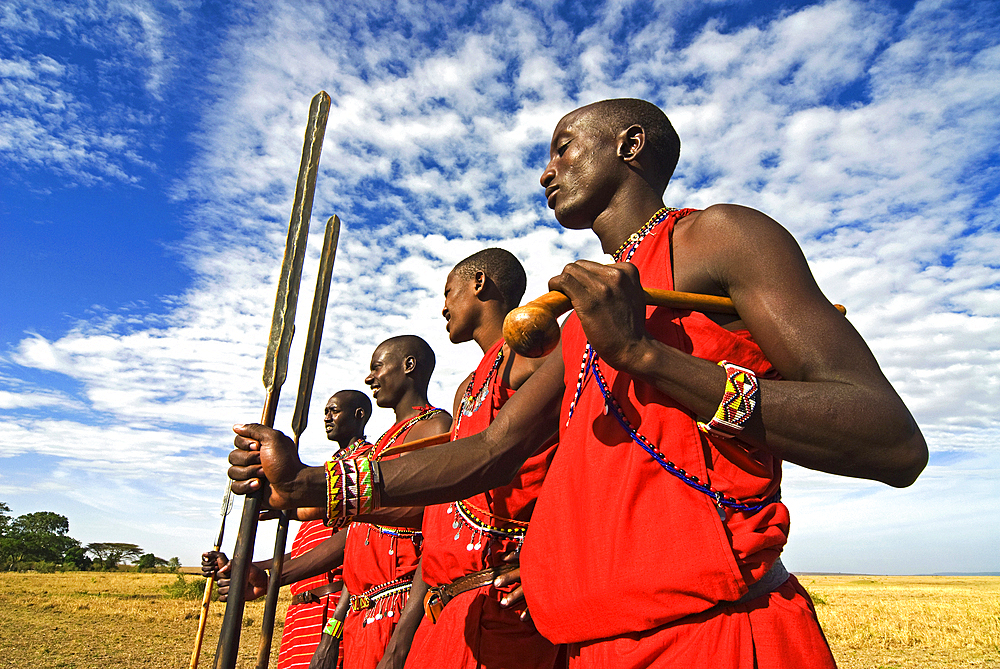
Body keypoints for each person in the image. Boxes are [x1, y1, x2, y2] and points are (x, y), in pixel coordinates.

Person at [227, 99, 928, 668]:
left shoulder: (720, 237)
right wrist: (318, 486)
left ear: (630, 145)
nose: (544, 172)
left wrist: (647, 355)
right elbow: (491, 450)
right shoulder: (576, 322)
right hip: (593, 647)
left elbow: (888, 437)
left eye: (563, 147)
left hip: (713, 635)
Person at [385, 248, 561, 669]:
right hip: (450, 607)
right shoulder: (467, 388)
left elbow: (573, 460)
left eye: (449, 292)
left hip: (504, 606)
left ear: (479, 283)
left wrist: (549, 553)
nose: (442, 307)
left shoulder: (532, 354)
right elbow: (449, 502)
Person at [203, 390, 372, 669]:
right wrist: (244, 565)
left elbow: (352, 542)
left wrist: (272, 576)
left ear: (359, 415)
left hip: (335, 611)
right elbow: (307, 551)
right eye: (325, 412)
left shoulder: (364, 466)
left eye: (334, 411)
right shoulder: (329, 472)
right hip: (301, 612)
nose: (327, 417)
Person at [334, 335, 452, 669]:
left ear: (408, 366)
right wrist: (272, 571)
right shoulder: (380, 446)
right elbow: (354, 538)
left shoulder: (435, 427)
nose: (369, 378)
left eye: (377, 367)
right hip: (362, 616)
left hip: (399, 607)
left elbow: (428, 515)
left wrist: (400, 639)